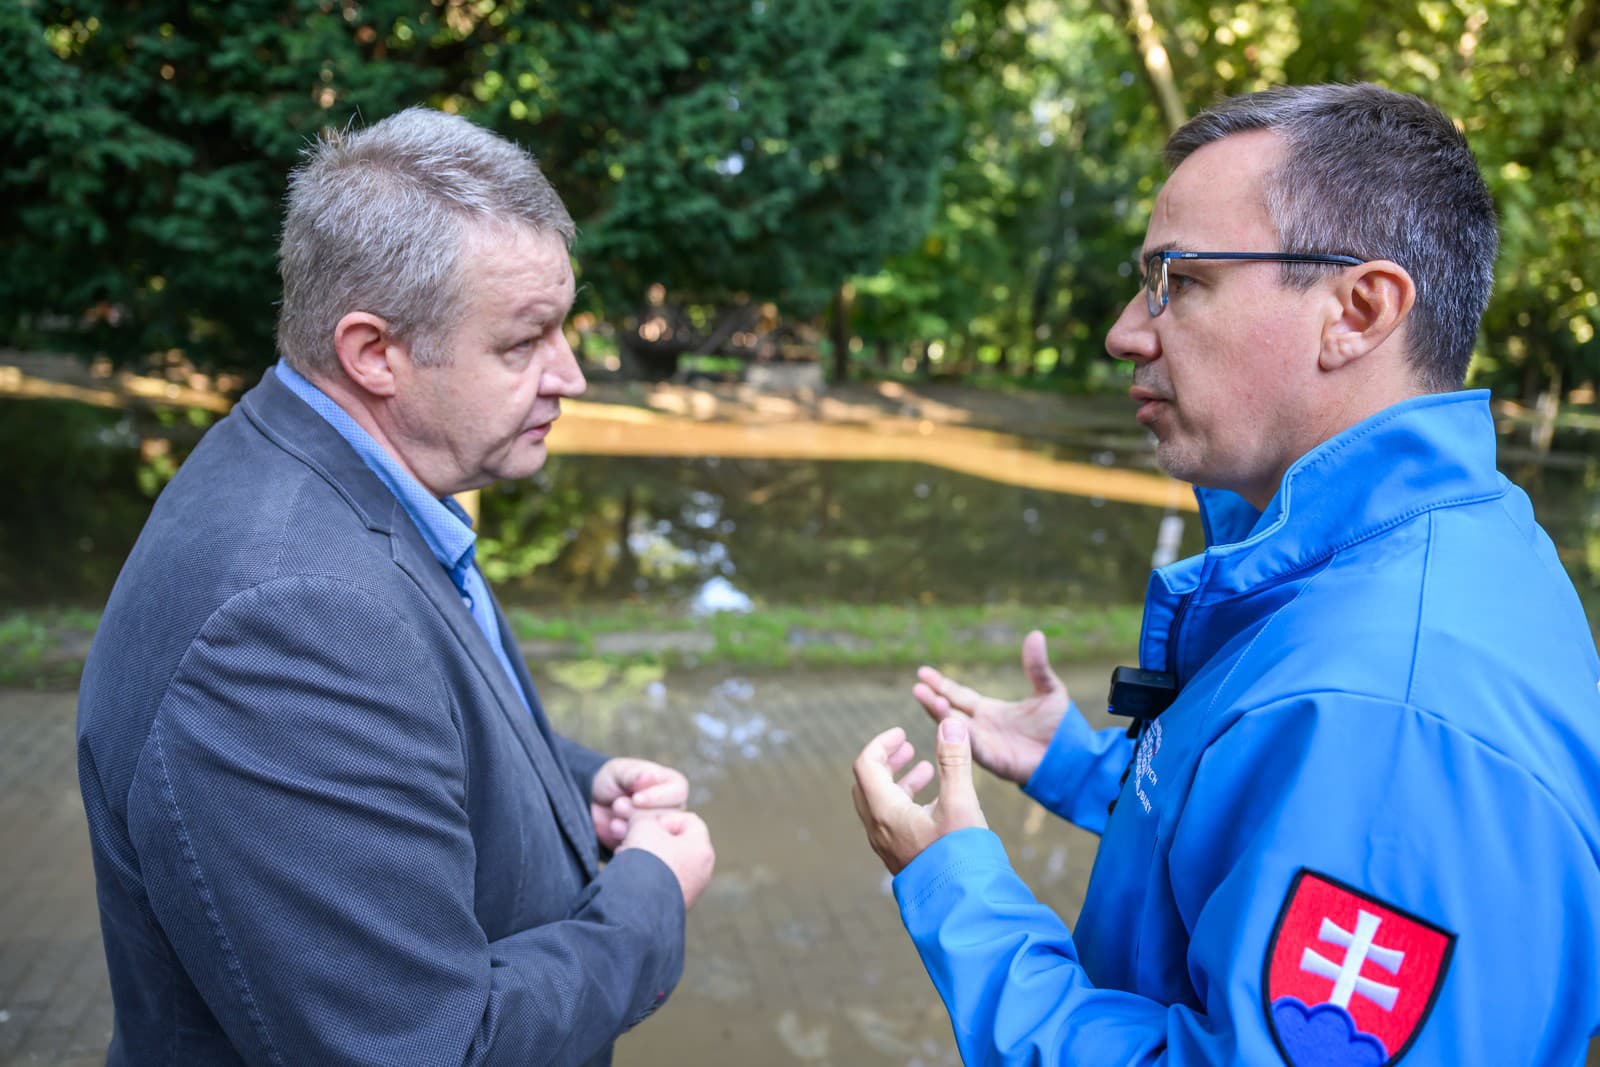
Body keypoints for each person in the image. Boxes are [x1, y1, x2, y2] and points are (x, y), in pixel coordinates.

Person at [851, 83, 1600, 1065]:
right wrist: (1084, 767)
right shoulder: (1404, 550)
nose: (1127, 329)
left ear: (1357, 310)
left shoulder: (1391, 722)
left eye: (1179, 280)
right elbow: (1276, 826)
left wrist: (957, 889)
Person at [77, 107, 715, 1066]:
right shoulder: (286, 623)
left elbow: (398, 723)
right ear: (375, 352)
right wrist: (649, 893)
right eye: (522, 342)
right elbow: (429, 1046)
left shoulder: (343, 479)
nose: (571, 375)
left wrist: (570, 786)